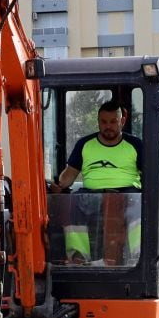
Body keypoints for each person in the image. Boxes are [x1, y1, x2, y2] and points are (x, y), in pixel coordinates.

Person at [48, 100, 143, 265]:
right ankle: (78, 258)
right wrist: (59, 184)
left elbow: (149, 174)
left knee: (139, 205)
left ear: (122, 121)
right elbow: (69, 176)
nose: (108, 126)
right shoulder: (84, 145)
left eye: (113, 121)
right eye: (104, 122)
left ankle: (137, 258)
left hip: (127, 194)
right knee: (72, 203)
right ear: (98, 122)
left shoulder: (135, 145)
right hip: (92, 196)